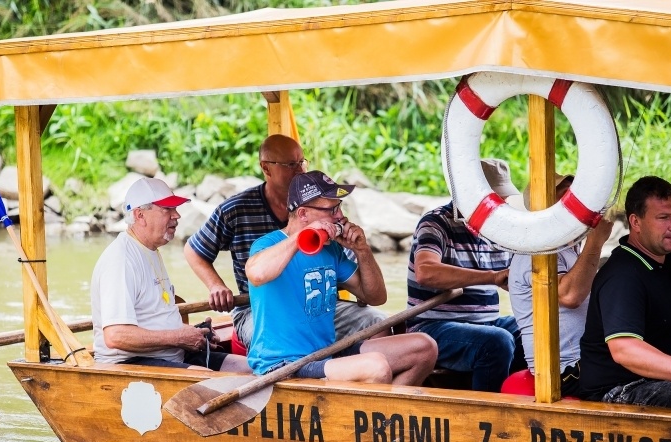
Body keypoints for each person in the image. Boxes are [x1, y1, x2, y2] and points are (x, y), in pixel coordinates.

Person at [185, 134, 387, 350]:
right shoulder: (235, 210)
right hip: (259, 309)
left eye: (302, 162)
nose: (300, 170)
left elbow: (373, 294)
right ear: (266, 168)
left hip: (319, 304)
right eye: (291, 164)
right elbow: (194, 250)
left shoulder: (322, 211)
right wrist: (216, 285)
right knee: (282, 338)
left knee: (378, 322)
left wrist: (362, 250)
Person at [245, 170, 437, 384]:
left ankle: (389, 413)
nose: (340, 217)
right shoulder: (267, 245)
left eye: (340, 207)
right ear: (303, 214)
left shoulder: (331, 250)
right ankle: (376, 414)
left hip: (327, 353)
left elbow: (375, 297)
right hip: (284, 365)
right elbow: (257, 273)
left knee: (424, 347)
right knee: (375, 367)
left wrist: (362, 250)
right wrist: (303, 236)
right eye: (332, 209)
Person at [578, 176, 671, 410]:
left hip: (664, 380)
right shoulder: (622, 275)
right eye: (664, 218)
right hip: (621, 389)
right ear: (636, 222)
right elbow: (624, 349)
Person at [91, 177, 250, 372]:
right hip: (130, 364)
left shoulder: (150, 249)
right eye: (167, 209)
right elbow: (116, 335)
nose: (177, 215)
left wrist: (196, 333)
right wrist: (180, 338)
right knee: (212, 380)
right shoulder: (121, 260)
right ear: (140, 215)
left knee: (251, 369)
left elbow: (155, 318)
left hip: (171, 354)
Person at [406, 158, 522, 392]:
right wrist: (491, 277)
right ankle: (486, 416)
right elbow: (426, 272)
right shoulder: (435, 223)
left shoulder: (499, 228)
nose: (501, 205)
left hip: (486, 323)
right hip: (432, 327)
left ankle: (519, 399)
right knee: (496, 341)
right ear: (469, 194)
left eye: (502, 198)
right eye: (494, 198)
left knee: (529, 331)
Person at [508, 174, 613, 396]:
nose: (576, 205)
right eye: (566, 198)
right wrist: (595, 242)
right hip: (564, 370)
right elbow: (570, 296)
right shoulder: (535, 251)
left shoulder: (568, 249)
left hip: (587, 359)